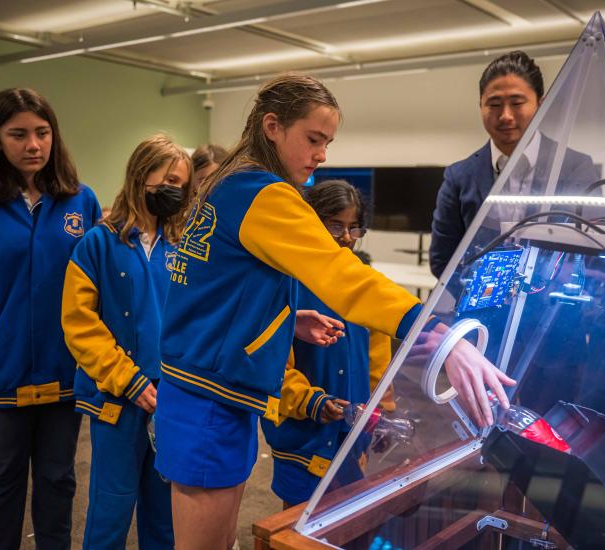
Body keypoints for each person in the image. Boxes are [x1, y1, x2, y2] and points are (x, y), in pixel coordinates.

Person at [154, 73, 515, 549]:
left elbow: (216, 286)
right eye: (313, 139)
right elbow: (346, 278)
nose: (322, 154)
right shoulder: (266, 194)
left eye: (327, 142)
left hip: (206, 392)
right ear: (272, 127)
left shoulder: (230, 183)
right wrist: (442, 337)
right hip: (211, 401)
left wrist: (284, 319)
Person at [0, 88, 101, 549]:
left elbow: (98, 287)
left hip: (64, 373)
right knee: (0, 484)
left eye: (42, 132)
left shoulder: (81, 203)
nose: (33, 144)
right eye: (19, 134)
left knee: (58, 481)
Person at [61, 134, 193, 548]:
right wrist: (129, 380)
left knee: (165, 515)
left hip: (171, 400)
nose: (177, 191)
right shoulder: (97, 244)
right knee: (110, 511)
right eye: (169, 179)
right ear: (141, 175)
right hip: (118, 401)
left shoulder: (184, 246)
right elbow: (79, 324)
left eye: (183, 185)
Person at [261, 179, 395, 507]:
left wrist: (383, 410)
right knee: (296, 524)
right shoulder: (286, 281)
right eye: (335, 226)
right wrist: (310, 402)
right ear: (312, 222)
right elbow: (273, 367)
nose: (347, 238)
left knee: (346, 519)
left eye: (354, 228)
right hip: (303, 437)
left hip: (353, 434)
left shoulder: (363, 281)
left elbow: (379, 359)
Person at [429, 50, 596, 278]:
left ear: (541, 104)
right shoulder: (459, 176)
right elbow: (442, 260)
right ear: (480, 106)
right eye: (494, 104)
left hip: (553, 307)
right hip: (478, 305)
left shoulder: (576, 167)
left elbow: (592, 254)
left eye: (517, 103)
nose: (506, 115)